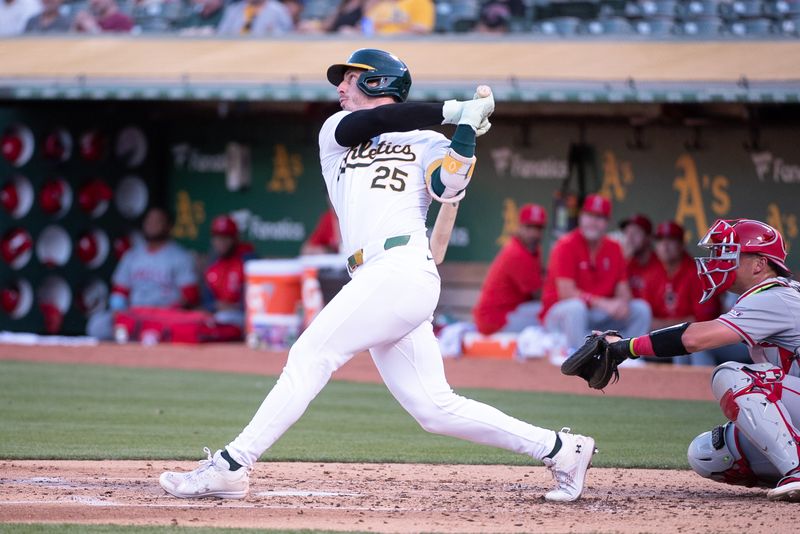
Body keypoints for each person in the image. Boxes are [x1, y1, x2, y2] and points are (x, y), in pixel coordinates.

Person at [159, 48, 596, 504]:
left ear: (378, 82)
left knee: (310, 355)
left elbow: (449, 187)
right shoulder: (336, 132)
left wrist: (464, 133)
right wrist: (454, 111)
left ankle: (233, 465)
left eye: (350, 78)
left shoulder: (429, 142)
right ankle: (562, 449)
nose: (340, 88)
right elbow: (366, 126)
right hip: (373, 276)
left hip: (402, 268)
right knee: (434, 408)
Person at [595, 218, 800, 502]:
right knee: (710, 453)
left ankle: (796, 471)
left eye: (729, 254)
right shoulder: (772, 295)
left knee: (732, 374)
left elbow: (694, 339)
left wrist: (626, 347)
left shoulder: (774, 296)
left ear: (759, 264)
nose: (719, 261)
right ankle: (790, 470)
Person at [540, 193, 651, 352]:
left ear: (607, 222)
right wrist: (604, 303)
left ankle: (625, 356)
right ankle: (578, 358)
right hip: (561, 316)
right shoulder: (565, 245)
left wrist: (622, 303)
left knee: (641, 309)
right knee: (576, 307)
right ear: (581, 217)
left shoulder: (614, 248)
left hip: (598, 315)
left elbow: (624, 292)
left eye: (599, 217)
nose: (593, 222)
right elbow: (567, 293)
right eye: (589, 215)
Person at [86, 207, 200, 339]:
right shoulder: (132, 255)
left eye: (157, 221)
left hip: (164, 316)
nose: (152, 225)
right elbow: (120, 291)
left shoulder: (180, 256)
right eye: (149, 221)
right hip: (135, 314)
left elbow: (191, 296)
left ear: (168, 226)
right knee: (98, 325)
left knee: (179, 327)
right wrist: (118, 312)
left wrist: (168, 311)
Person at [650, 220, 747, 366]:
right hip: (711, 336)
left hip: (745, 342)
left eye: (671, 240)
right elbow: (646, 318)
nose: (665, 246)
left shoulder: (696, 273)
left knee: (697, 342)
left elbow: (703, 321)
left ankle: (701, 388)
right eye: (661, 240)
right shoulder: (655, 273)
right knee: (682, 340)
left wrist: (664, 325)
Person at [473, 203, 546, 335]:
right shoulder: (516, 253)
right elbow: (539, 295)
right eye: (529, 227)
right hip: (495, 321)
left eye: (538, 228)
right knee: (549, 311)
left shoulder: (532, 249)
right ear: (519, 227)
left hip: (511, 311)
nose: (534, 233)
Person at [203, 214, 255, 331]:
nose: (221, 242)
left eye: (226, 237)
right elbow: (206, 302)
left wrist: (234, 307)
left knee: (222, 318)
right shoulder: (212, 263)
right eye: (217, 237)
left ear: (235, 238)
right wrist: (215, 306)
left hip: (244, 317)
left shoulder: (248, 260)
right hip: (218, 316)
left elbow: (256, 299)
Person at [620, 213, 662, 312]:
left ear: (649, 237)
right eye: (626, 233)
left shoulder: (661, 265)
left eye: (635, 233)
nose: (629, 238)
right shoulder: (626, 263)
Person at [216, 0, 292, 35]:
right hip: (236, 52)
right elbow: (222, 33)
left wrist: (273, 31)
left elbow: (289, 33)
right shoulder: (234, 10)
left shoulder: (278, 9)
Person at [363, 0, 434, 35]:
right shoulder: (381, 4)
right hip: (380, 45)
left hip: (407, 47)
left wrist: (393, 35)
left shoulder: (419, 1)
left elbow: (422, 28)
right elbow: (366, 27)